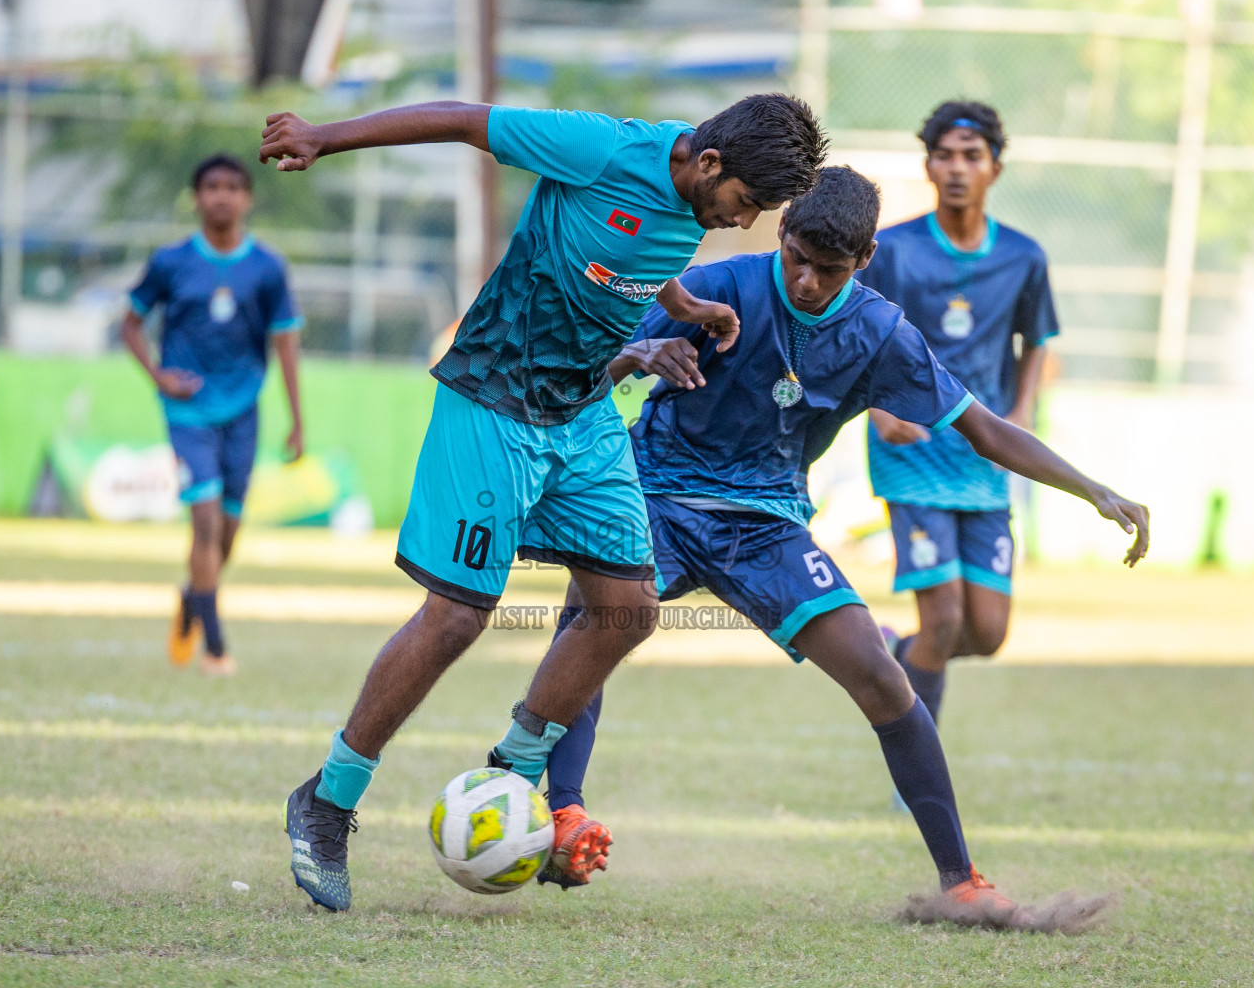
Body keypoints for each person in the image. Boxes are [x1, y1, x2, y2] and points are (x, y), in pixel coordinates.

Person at [533, 167, 1148, 925]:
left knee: (884, 681)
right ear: (782, 236)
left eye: (829, 269)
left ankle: (961, 881)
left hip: (766, 525)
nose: (808, 279)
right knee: (591, 634)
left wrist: (1095, 489)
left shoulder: (880, 332)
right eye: (797, 257)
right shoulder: (718, 284)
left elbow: (984, 427)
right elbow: (585, 363)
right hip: (652, 496)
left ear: (862, 262)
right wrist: (638, 358)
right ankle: (563, 815)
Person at [260, 95, 828, 911]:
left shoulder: (690, 201)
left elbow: (633, 249)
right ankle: (328, 799)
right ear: (708, 164)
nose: (743, 224)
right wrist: (323, 138)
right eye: (744, 204)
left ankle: (517, 769)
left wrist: (684, 307)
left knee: (629, 606)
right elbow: (463, 118)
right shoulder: (598, 147)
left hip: (582, 412)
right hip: (492, 395)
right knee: (457, 617)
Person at [858, 101, 1054, 729]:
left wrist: (1022, 411)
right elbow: (857, 334)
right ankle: (918, 763)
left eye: (972, 156)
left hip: (985, 454)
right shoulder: (892, 249)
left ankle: (898, 657)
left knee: (987, 632)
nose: (957, 168)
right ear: (928, 166)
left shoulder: (1024, 257)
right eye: (944, 155)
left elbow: (1037, 342)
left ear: (995, 167)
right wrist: (879, 406)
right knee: (942, 620)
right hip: (911, 452)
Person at [120, 153, 304, 677]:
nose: (221, 195)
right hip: (188, 412)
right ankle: (216, 646)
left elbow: (286, 342)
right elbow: (130, 324)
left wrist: (297, 418)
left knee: (227, 531)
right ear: (197, 197)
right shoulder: (170, 262)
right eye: (211, 186)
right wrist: (158, 376)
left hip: (243, 410)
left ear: (247, 198)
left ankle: (192, 598)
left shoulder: (267, 268)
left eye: (232, 186)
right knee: (202, 522)